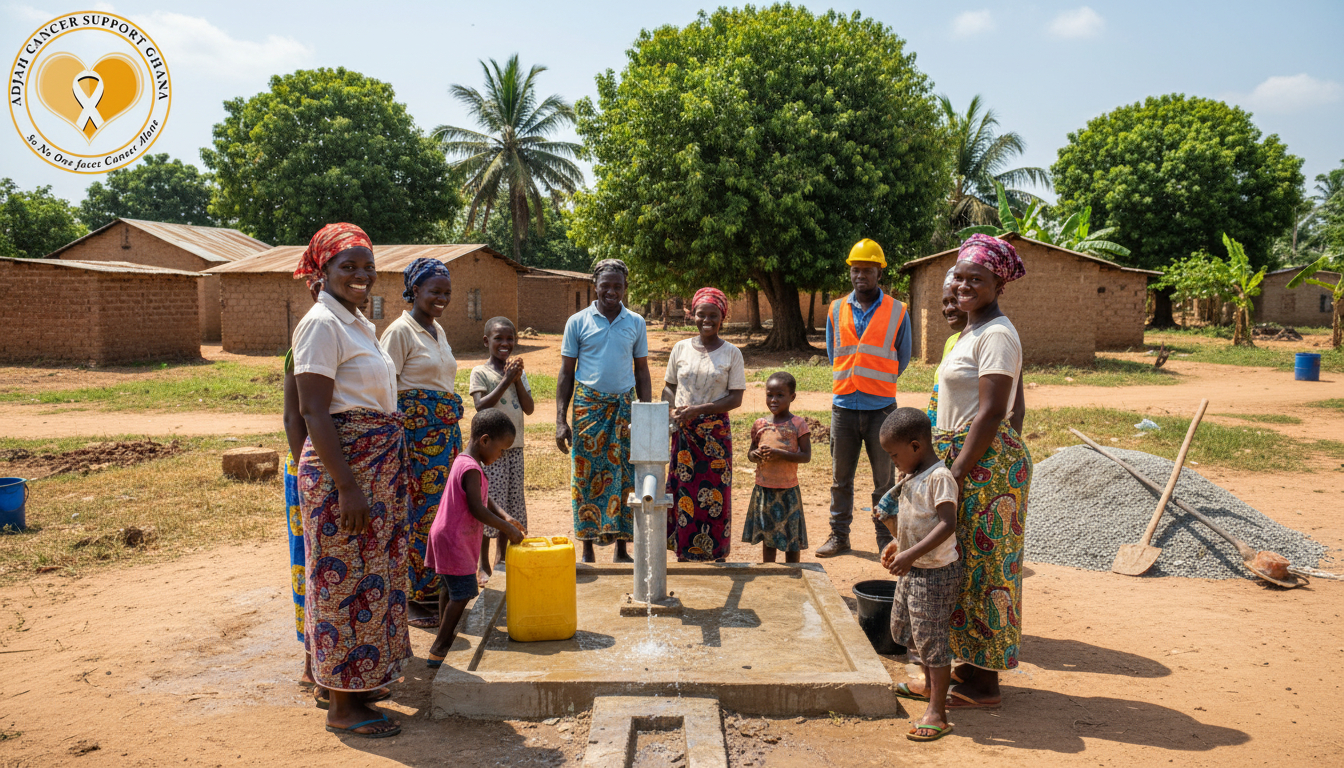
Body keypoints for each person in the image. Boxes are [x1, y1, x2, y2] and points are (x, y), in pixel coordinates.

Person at [905, 233, 1032, 709]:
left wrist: (956, 471)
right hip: (972, 457)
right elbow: (1015, 406)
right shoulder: (971, 333)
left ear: (998, 283)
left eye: (975, 278)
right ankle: (966, 671)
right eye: (958, 275)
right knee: (967, 566)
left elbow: (993, 411)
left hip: (980, 465)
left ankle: (983, 685)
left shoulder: (997, 333)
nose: (962, 285)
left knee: (982, 568)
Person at [292, 223, 408, 738]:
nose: (361, 275)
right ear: (323, 270)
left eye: (367, 266)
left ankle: (351, 681)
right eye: (348, 266)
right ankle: (343, 706)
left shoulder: (357, 322)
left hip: (373, 466)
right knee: (344, 581)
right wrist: (347, 486)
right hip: (349, 471)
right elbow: (314, 413)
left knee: (369, 575)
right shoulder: (321, 323)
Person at [379, 257, 462, 630]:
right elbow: (385, 388)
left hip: (444, 436)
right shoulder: (400, 331)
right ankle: (414, 598)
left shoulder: (438, 330)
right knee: (417, 514)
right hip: (415, 438)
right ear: (414, 291)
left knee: (443, 513)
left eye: (446, 292)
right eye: (434, 291)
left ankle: (435, 589)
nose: (441, 298)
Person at [817, 238, 912, 558]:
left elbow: (905, 356)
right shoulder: (835, 309)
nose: (860, 276)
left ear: (878, 274)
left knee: (883, 482)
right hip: (844, 406)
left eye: (867, 270)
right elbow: (835, 352)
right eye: (855, 270)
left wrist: (876, 380)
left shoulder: (898, 311)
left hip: (881, 410)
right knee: (839, 479)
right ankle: (839, 536)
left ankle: (885, 539)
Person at [555, 259, 652, 563]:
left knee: (623, 475)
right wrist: (560, 418)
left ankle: (621, 549)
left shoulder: (635, 322)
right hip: (587, 410)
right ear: (594, 286)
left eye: (618, 286)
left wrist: (646, 414)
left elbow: (642, 371)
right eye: (606, 285)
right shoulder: (578, 322)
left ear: (625, 288)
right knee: (585, 475)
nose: (611, 291)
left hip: (624, 407)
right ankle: (586, 547)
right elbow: (566, 373)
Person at [877, 408, 961, 742]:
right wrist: (900, 543)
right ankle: (927, 686)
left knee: (933, 641)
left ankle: (938, 712)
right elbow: (916, 520)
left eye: (894, 455)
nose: (893, 462)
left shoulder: (939, 478)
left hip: (936, 573)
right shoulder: (912, 475)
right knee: (907, 629)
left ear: (915, 446)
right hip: (915, 568)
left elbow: (946, 524)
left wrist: (911, 554)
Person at [425, 409, 525, 668]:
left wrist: (505, 516)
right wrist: (507, 529)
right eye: (501, 450)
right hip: (454, 539)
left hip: (445, 536)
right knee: (463, 594)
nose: (501, 455)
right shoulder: (471, 468)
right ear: (485, 440)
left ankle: (443, 636)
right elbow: (476, 508)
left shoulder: (465, 461)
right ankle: (440, 646)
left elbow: (485, 498)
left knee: (449, 589)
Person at [662, 287, 746, 562]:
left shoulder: (732, 353)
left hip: (715, 437)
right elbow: (669, 387)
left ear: (722, 318)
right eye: (701, 314)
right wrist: (672, 411)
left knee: (715, 497)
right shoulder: (680, 348)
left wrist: (700, 410)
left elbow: (735, 398)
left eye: (713, 315)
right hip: (684, 433)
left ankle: (716, 554)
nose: (706, 320)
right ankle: (684, 553)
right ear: (692, 315)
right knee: (682, 493)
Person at [281, 278, 325, 695]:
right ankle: (311, 661)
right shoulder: (308, 339)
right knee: (310, 567)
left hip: (322, 469)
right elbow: (296, 418)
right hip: (311, 473)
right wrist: (309, 474)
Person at [470, 316, 534, 576]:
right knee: (490, 501)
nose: (505, 343)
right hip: (490, 452)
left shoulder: (519, 374)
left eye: (510, 338)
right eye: (499, 338)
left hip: (515, 448)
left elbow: (528, 408)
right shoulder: (480, 372)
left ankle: (502, 559)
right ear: (487, 341)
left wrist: (516, 378)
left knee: (512, 501)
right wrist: (506, 380)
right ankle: (483, 564)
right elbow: (480, 406)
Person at [929, 266, 1025, 435]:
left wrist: (1008, 447)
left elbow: (1005, 411)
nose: (949, 308)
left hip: (977, 451)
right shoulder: (954, 342)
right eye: (945, 302)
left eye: (955, 301)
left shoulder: (995, 337)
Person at [742, 372, 811, 563]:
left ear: (792, 397)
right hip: (765, 490)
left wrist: (780, 454)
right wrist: (754, 456)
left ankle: (793, 572)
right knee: (768, 536)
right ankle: (769, 573)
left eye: (780, 395)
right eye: (770, 395)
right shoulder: (760, 425)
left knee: (792, 538)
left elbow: (806, 456)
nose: (774, 400)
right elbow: (751, 453)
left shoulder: (798, 424)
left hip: (789, 490)